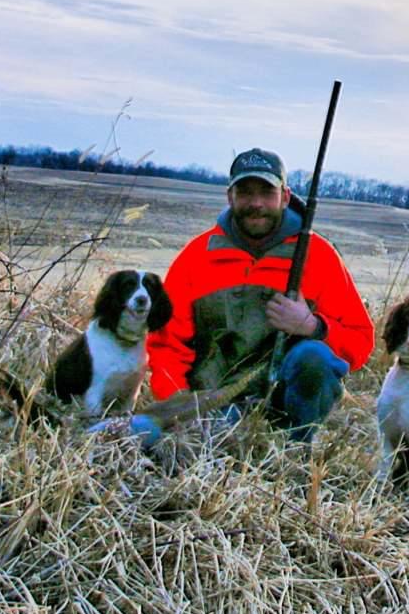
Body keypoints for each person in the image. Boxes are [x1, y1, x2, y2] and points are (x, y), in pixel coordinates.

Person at [133, 147, 373, 444]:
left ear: (285, 197)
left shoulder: (318, 256)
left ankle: (296, 447)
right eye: (245, 192)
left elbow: (361, 341)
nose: (256, 203)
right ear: (229, 197)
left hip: (282, 405)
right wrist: (179, 406)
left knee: (314, 357)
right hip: (212, 404)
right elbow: (166, 345)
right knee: (137, 433)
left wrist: (313, 326)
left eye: (267, 192)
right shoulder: (196, 258)